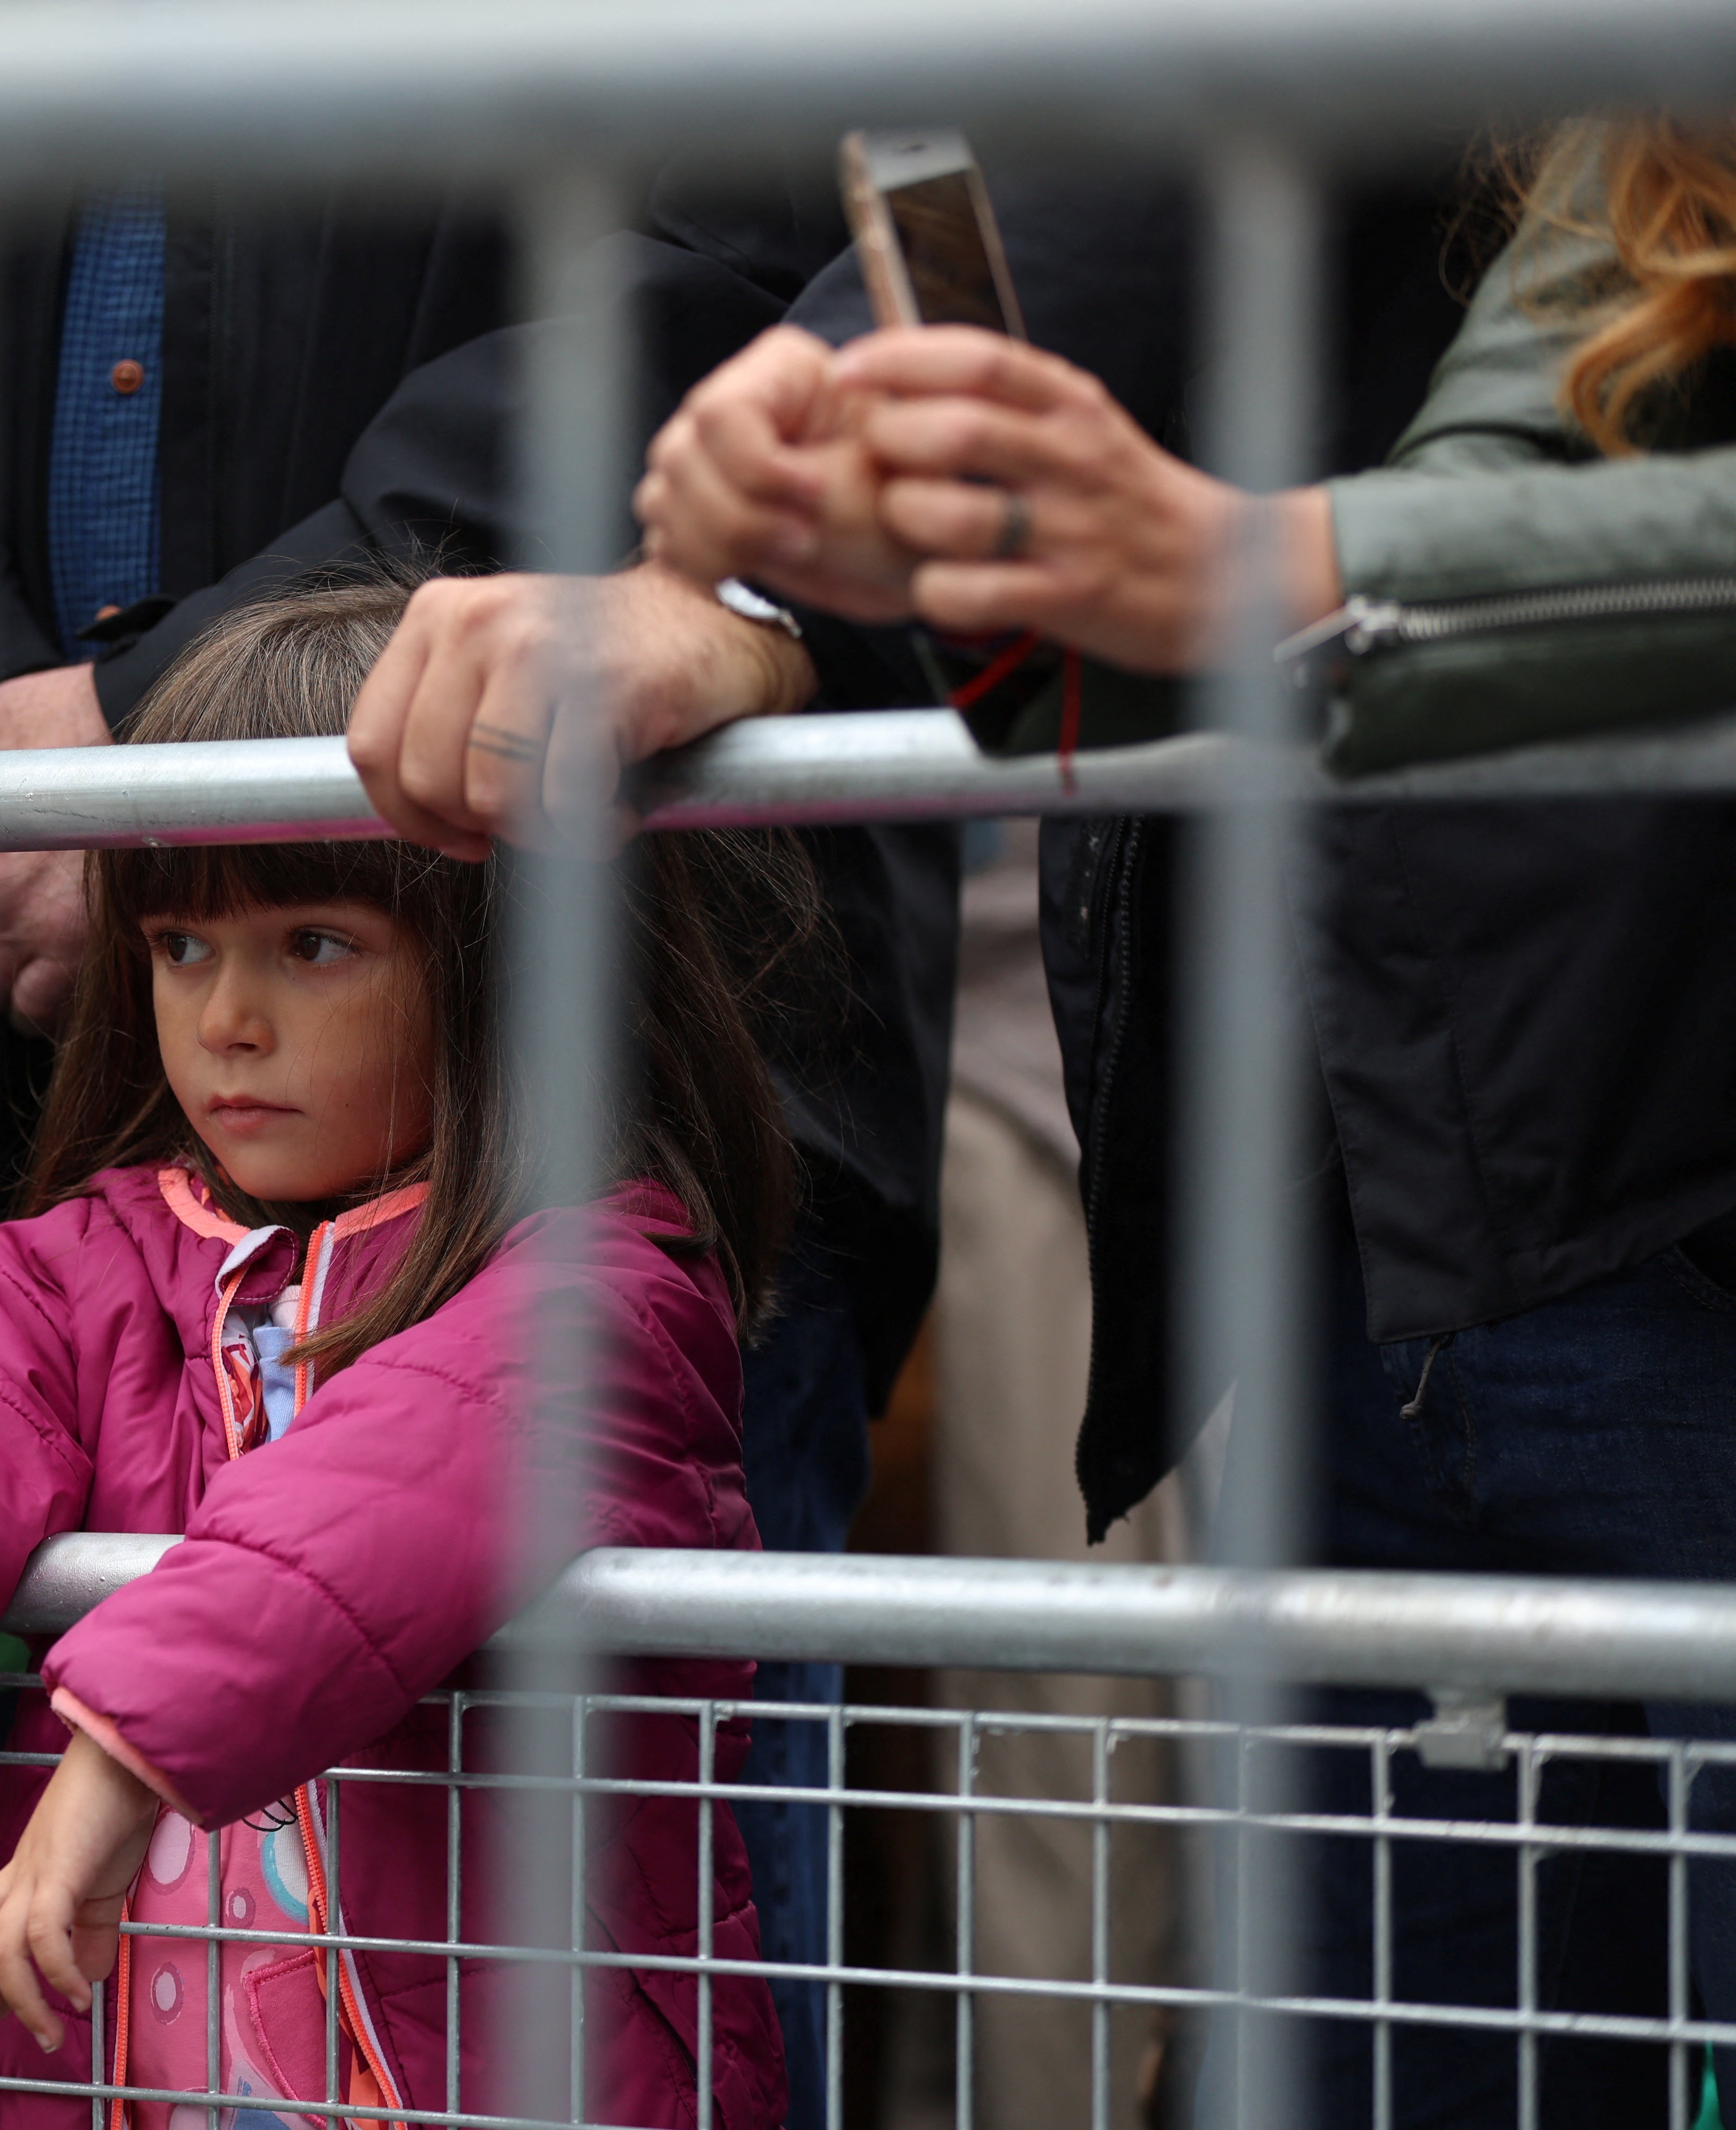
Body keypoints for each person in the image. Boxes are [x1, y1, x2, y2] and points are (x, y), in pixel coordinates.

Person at [644, 116, 1736, 2125]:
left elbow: (1365, 586)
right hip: (1417, 1232)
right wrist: (867, 559)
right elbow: (1424, 559)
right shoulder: (1622, 136)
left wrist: (1262, 565)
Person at [0, 568, 797, 2126]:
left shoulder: (607, 1272)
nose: (228, 1021)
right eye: (184, 947)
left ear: (497, 966)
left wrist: (119, 1759)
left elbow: (399, 1471)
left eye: (315, 945)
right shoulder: (82, 1273)